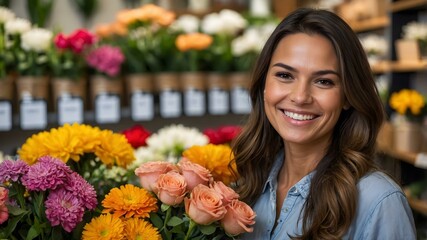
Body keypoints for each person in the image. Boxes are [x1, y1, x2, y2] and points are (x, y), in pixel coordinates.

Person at [232, 8, 416, 240]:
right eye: (285, 76)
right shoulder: (246, 184)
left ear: (348, 96)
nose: (300, 97)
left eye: (323, 81)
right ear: (264, 84)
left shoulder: (379, 202)